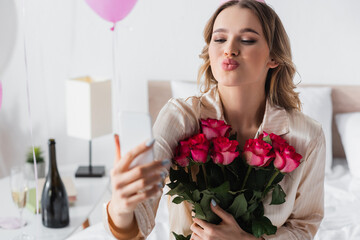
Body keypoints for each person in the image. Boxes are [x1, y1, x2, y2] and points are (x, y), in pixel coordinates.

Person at [104, 0, 326, 239]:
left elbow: (303, 227)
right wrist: (120, 206)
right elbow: (137, 222)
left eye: (248, 39)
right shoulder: (180, 117)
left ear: (273, 57)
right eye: (219, 39)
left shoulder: (307, 135)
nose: (229, 49)